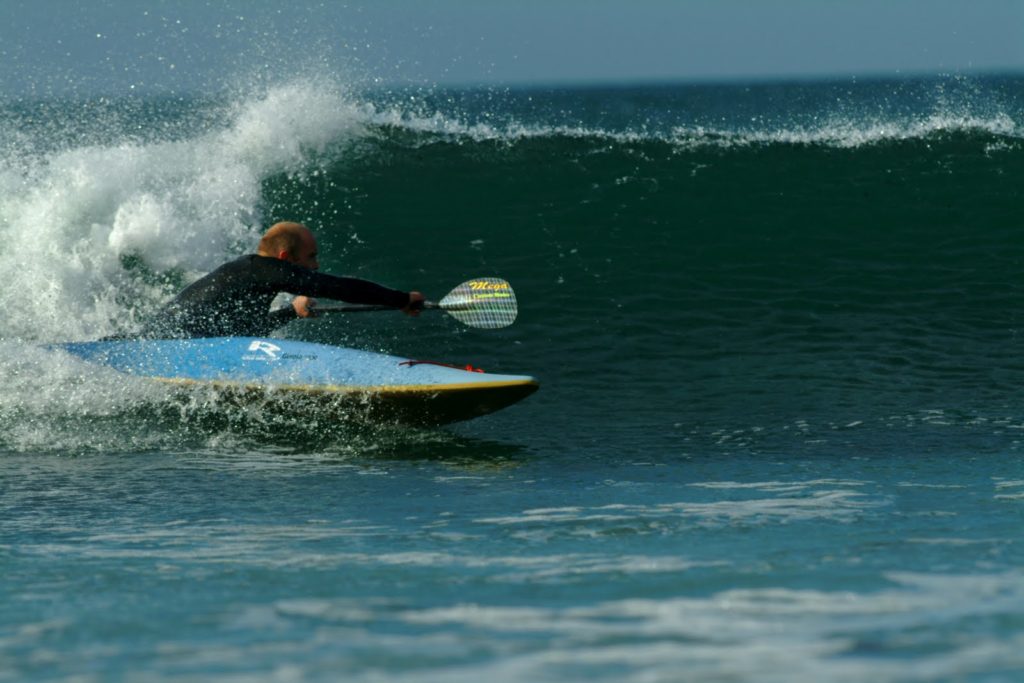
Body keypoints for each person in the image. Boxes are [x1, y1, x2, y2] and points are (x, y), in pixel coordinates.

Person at [143, 221, 424, 338]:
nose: (316, 265)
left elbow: (244, 330)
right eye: (311, 256)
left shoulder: (251, 274)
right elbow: (338, 287)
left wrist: (291, 311)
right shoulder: (262, 270)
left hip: (161, 341)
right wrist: (401, 299)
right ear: (285, 257)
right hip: (168, 342)